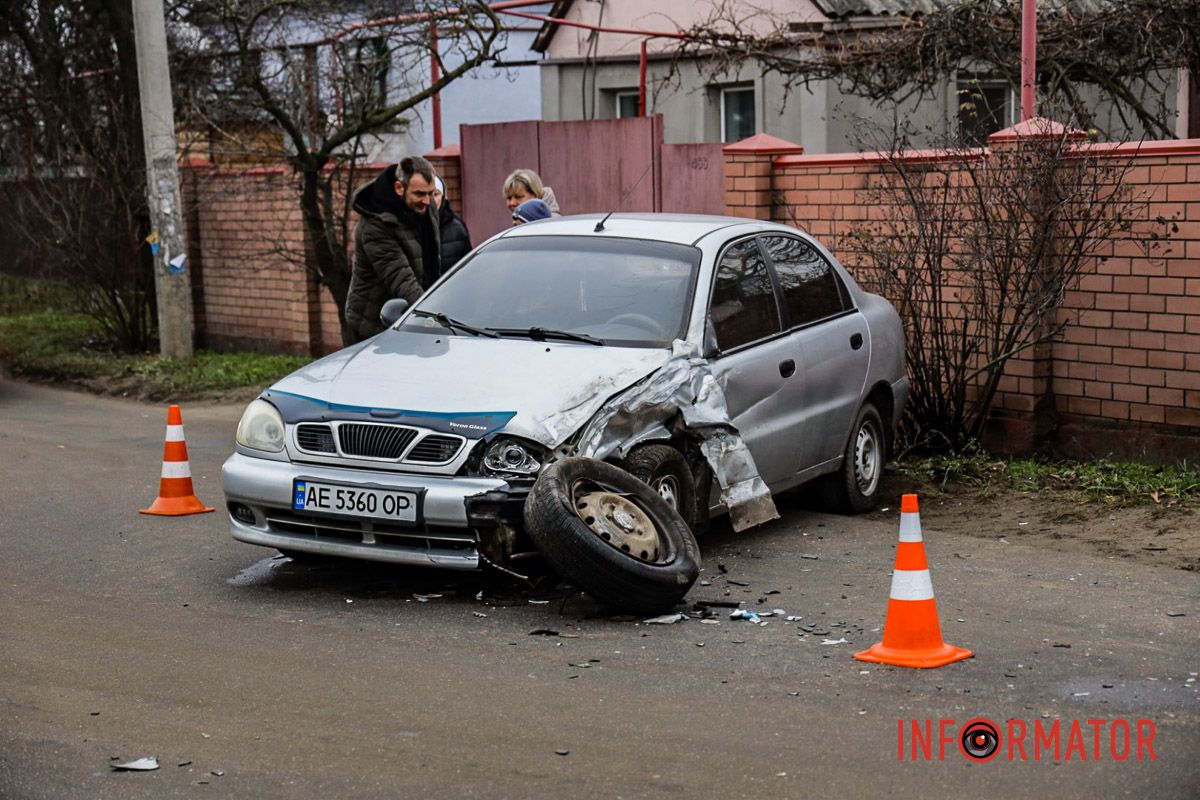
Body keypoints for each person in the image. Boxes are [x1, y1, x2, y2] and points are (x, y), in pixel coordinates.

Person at [344, 156, 440, 344]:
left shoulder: (426, 207)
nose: (427, 201)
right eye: (420, 194)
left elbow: (432, 261)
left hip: (413, 315)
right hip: (373, 326)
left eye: (431, 193)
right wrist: (432, 315)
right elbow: (400, 277)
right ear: (399, 188)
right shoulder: (375, 225)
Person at [432, 175, 472, 274]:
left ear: (444, 196)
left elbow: (468, 267)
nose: (432, 199)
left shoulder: (457, 228)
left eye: (436, 194)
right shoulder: (411, 226)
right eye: (428, 194)